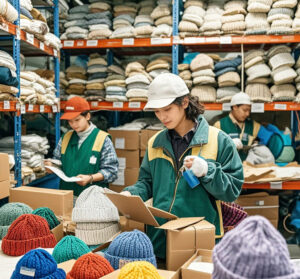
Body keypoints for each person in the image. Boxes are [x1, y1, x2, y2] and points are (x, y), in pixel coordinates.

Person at [121, 73, 244, 260]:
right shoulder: (155, 142)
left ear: (185, 102)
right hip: (159, 239)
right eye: (156, 111)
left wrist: (207, 171)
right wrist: (131, 194)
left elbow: (231, 191)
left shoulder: (218, 140)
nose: (162, 116)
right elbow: (146, 183)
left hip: (199, 238)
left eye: (167, 109)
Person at [45, 96, 118, 199]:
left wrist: (90, 178)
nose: (73, 125)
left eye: (77, 120)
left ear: (87, 116)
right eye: (70, 121)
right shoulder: (66, 137)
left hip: (93, 199)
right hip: (67, 197)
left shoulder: (102, 139)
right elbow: (59, 161)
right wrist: (52, 166)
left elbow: (112, 172)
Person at [214, 92, 261, 161]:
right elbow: (213, 148)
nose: (248, 114)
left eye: (249, 110)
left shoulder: (254, 125)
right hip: (227, 169)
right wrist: (228, 144)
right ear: (235, 107)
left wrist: (257, 145)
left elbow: (268, 141)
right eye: (245, 110)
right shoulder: (219, 125)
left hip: (248, 168)